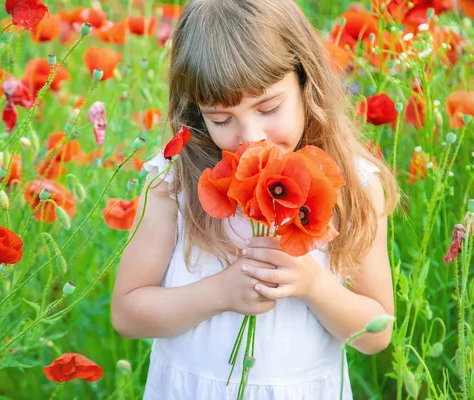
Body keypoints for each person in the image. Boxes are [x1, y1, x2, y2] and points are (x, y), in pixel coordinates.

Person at [111, 0, 400, 398]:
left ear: (305, 82)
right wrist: (220, 293)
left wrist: (314, 285)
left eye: (268, 108)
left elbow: (377, 332)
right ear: (195, 113)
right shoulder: (172, 184)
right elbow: (127, 314)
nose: (251, 137)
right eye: (221, 119)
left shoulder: (353, 183)